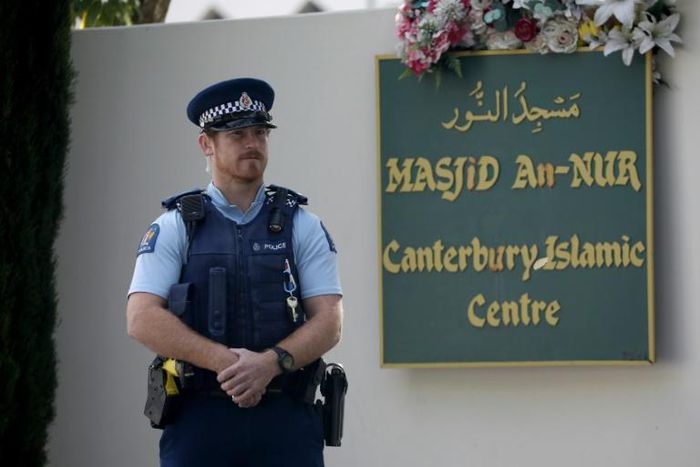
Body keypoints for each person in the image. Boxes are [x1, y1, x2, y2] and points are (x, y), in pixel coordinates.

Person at [126, 77, 343, 467]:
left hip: (286, 420)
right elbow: (141, 318)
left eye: (260, 133)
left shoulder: (302, 224)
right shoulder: (176, 225)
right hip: (200, 420)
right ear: (206, 144)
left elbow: (329, 321)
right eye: (237, 134)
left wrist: (269, 365)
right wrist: (228, 364)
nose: (252, 144)